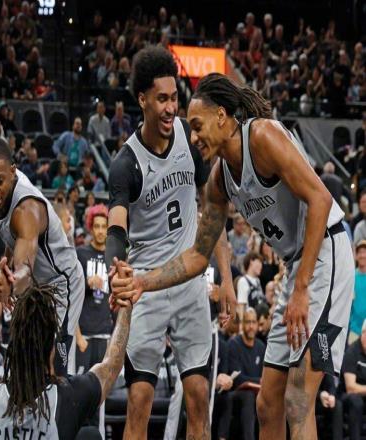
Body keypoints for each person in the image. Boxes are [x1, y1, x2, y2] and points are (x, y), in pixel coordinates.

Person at [112, 73, 355, 440]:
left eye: (197, 126)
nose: (193, 138)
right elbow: (198, 256)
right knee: (267, 404)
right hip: (298, 265)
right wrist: (142, 282)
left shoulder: (262, 136)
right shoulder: (219, 180)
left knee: (298, 399)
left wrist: (301, 289)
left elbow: (320, 198)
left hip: (326, 253)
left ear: (222, 116)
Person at [105, 47, 235, 439]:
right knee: (139, 403)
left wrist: (227, 277)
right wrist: (117, 270)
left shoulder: (190, 140)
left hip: (189, 282)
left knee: (198, 398)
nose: (170, 108)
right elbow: (116, 230)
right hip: (146, 286)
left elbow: (214, 213)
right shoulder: (125, 163)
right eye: (161, 99)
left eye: (174, 98)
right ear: (142, 99)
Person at [0, 262, 133, 439]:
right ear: (51, 350)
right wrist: (125, 299)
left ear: (13, 347)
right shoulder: (66, 398)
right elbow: (112, 364)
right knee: (90, 435)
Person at [0, 136, 84, 377]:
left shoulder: (27, 210)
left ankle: (60, 398)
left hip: (62, 283)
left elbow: (25, 271)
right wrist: (6, 265)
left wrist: (11, 282)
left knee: (54, 365)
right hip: (36, 285)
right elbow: (14, 239)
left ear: (13, 171)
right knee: (25, 357)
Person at [75, 204, 111, 435]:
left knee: (100, 394)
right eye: (96, 226)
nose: (99, 231)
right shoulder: (81, 254)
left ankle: (97, 436)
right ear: (90, 227)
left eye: (103, 226)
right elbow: (70, 296)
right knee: (79, 392)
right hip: (84, 336)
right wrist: (86, 284)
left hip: (105, 334)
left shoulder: (113, 257)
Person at [219, 308, 265, 440]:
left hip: (258, 393)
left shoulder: (261, 347)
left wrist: (262, 382)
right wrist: (260, 381)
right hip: (235, 393)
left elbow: (265, 376)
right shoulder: (233, 344)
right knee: (248, 396)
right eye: (248, 322)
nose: (251, 326)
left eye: (253, 322)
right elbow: (238, 378)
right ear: (242, 324)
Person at [342, 319, 366, 440]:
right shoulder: (352, 352)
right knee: (356, 401)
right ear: (363, 334)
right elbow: (350, 387)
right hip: (347, 395)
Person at [237, 252, 266, 321]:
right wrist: (241, 326)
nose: (261, 266)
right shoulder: (243, 281)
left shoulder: (257, 281)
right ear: (251, 261)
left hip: (260, 321)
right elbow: (241, 306)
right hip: (250, 322)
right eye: (259, 262)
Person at [349, 240, 366, 343]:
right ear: (356, 256)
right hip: (354, 331)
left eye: (364, 252)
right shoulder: (351, 277)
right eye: (360, 252)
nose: (362, 255)